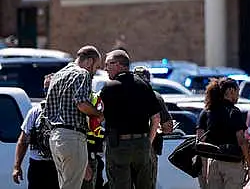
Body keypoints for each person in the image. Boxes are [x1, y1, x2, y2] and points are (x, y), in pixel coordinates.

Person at [43, 45, 104, 189]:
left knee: (65, 184)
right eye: (96, 67)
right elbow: (81, 103)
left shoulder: (57, 75)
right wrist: (99, 114)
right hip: (72, 136)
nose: (95, 72)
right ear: (89, 61)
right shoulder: (82, 73)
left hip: (55, 137)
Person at [100, 49, 161, 189]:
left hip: (119, 146)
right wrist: (148, 142)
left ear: (118, 64)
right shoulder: (144, 85)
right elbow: (156, 118)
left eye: (108, 64)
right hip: (142, 145)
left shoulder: (110, 87)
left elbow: (100, 116)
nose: (105, 68)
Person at [196, 77, 250, 189]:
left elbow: (200, 141)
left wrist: (203, 170)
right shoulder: (234, 112)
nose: (238, 96)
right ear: (231, 91)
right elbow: (241, 140)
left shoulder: (207, 112)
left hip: (214, 162)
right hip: (232, 163)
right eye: (237, 92)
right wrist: (248, 163)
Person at [12, 74, 59, 189]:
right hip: (38, 165)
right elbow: (23, 140)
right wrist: (17, 166)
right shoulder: (36, 111)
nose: (47, 91)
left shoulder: (67, 111)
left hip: (59, 164)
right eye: (45, 88)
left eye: (50, 88)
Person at [133, 65, 175, 189]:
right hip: (147, 146)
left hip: (124, 144)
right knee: (147, 183)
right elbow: (167, 127)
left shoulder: (122, 95)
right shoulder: (155, 96)